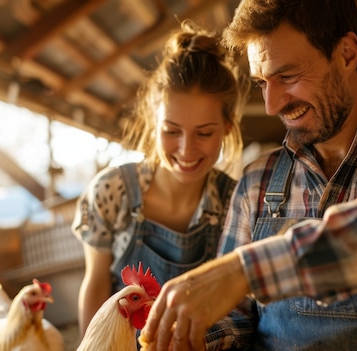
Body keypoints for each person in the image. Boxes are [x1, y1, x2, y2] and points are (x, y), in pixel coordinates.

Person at [140, 0, 357, 350]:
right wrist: (191, 338)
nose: (272, 105)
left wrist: (245, 270)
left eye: (287, 76)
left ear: (347, 54)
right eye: (262, 83)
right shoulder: (257, 180)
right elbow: (238, 317)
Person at [71, 20, 249, 337]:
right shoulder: (110, 192)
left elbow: (238, 305)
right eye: (171, 131)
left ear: (228, 127)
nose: (186, 149)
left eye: (204, 133)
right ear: (154, 123)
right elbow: (96, 283)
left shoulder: (236, 203)